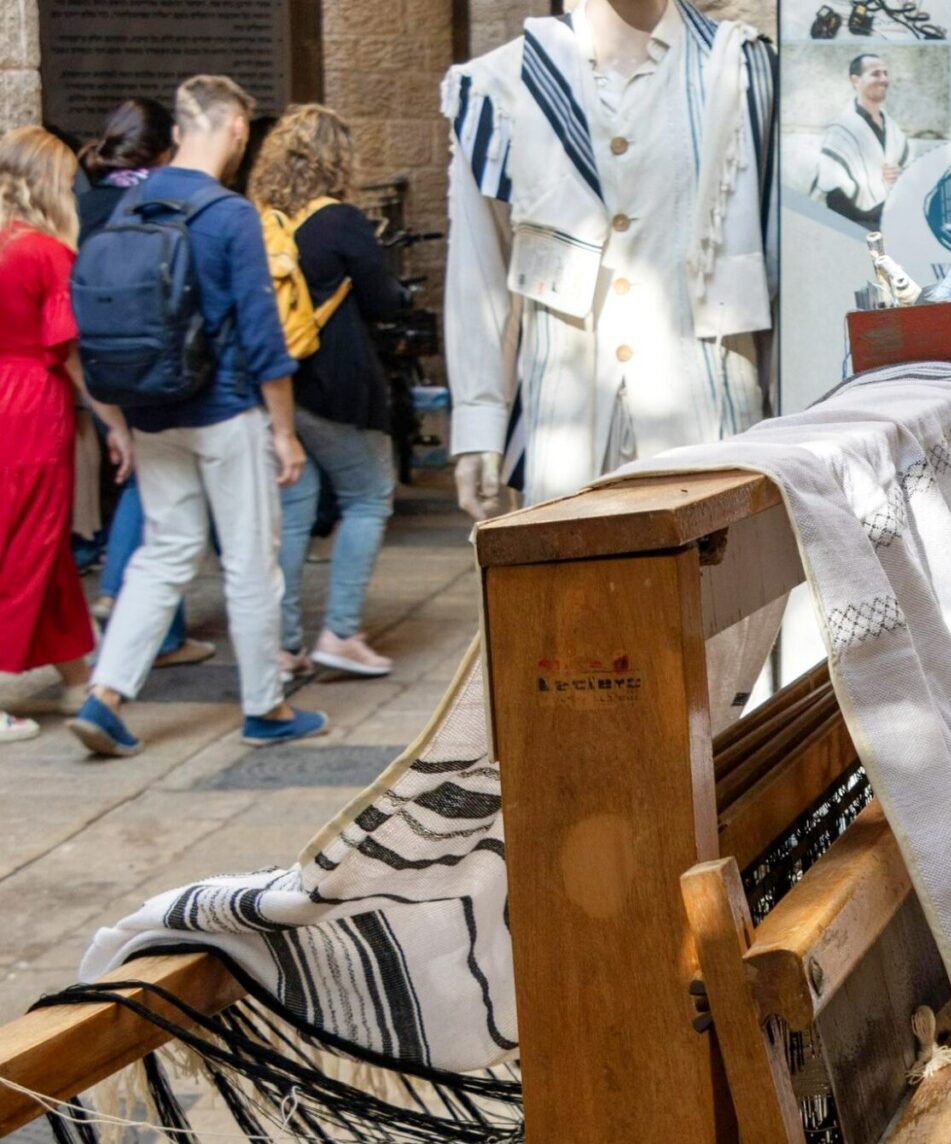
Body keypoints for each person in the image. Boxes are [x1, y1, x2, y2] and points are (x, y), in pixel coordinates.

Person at [442, 0, 777, 518]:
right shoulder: (500, 85)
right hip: (564, 440)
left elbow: (783, 272)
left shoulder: (746, 72)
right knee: (569, 593)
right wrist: (479, 424)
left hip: (712, 429)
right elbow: (477, 278)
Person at [70, 75, 324, 758]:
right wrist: (284, 430)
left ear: (180, 129)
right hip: (226, 410)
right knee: (250, 562)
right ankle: (265, 706)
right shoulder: (228, 213)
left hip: (151, 411)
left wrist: (118, 423)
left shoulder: (126, 207)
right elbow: (264, 336)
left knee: (164, 552)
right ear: (238, 129)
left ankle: (108, 695)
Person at [249, 104, 405, 678]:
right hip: (337, 384)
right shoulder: (339, 221)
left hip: (279, 388)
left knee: (293, 510)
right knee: (369, 495)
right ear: (337, 159)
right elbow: (384, 299)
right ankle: (340, 631)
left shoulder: (262, 219)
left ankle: (282, 645)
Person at [0, 127, 130, 740]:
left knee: (39, 545)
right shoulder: (47, 253)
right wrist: (115, 424)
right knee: (27, 543)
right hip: (29, 407)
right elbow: (71, 352)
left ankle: (75, 670)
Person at [78, 98, 210, 669]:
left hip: (97, 360)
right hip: (154, 361)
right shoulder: (160, 203)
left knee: (150, 485)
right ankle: (137, 608)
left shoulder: (86, 204)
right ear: (166, 149)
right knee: (156, 488)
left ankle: (154, 621)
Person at [814, 52, 908, 229]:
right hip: (857, 222)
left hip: (890, 218)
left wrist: (899, 172)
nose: (884, 79)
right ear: (855, 80)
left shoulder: (893, 127)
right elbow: (832, 188)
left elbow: (907, 170)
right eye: (875, 74)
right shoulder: (842, 130)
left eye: (885, 73)